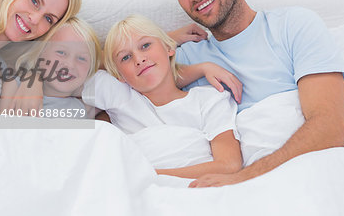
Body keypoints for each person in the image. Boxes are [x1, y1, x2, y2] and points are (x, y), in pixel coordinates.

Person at [151, 0, 344, 187]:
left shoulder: (294, 26)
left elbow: (330, 128)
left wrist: (244, 178)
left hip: (302, 179)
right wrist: (163, 39)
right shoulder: (186, 60)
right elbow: (92, 73)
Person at [82, 14, 243, 180]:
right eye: (126, 57)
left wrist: (150, 176)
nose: (139, 59)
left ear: (168, 48)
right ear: (118, 74)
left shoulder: (209, 99)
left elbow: (229, 165)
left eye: (145, 45)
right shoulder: (119, 95)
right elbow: (68, 67)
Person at [0, 17, 101, 118]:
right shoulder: (15, 85)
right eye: (61, 52)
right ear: (40, 53)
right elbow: (0, 129)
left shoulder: (86, 107)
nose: (70, 64)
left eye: (82, 58)